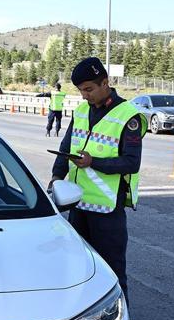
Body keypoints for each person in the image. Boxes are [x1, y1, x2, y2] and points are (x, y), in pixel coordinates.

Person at [48, 57, 145, 303]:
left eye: (89, 89)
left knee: (112, 273)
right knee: (80, 271)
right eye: (81, 90)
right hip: (78, 206)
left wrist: (94, 162)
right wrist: (56, 176)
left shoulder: (128, 116)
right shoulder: (81, 111)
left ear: (105, 83)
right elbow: (66, 146)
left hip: (107, 210)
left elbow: (131, 163)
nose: (84, 96)